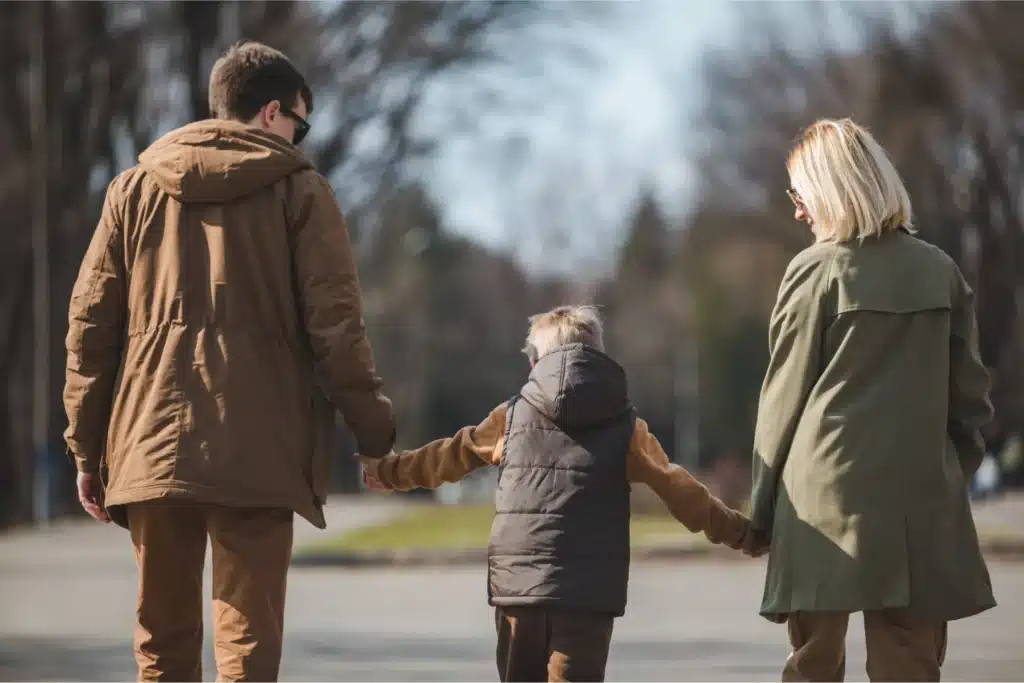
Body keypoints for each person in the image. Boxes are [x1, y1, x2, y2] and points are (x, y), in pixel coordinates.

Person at [63, 41, 395, 681]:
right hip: (258, 450)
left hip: (148, 445)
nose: (301, 139)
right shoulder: (301, 194)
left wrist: (86, 447)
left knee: (161, 643)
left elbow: (89, 330)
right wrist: (373, 433)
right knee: (246, 644)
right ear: (273, 112)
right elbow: (338, 330)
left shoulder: (131, 192)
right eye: (301, 123)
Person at [361, 305, 755, 682]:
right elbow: (680, 490)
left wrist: (389, 472)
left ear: (536, 362)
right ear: (598, 357)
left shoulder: (512, 416)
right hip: (586, 595)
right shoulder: (627, 427)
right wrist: (744, 533)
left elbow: (452, 454)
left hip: (518, 589)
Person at [748, 118, 996, 682]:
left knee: (814, 668)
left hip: (822, 502)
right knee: (910, 665)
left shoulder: (815, 271)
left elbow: (783, 399)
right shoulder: (941, 271)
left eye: (799, 195)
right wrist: (949, 472)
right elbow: (971, 401)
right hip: (920, 502)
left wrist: (759, 511)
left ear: (831, 190)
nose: (796, 211)